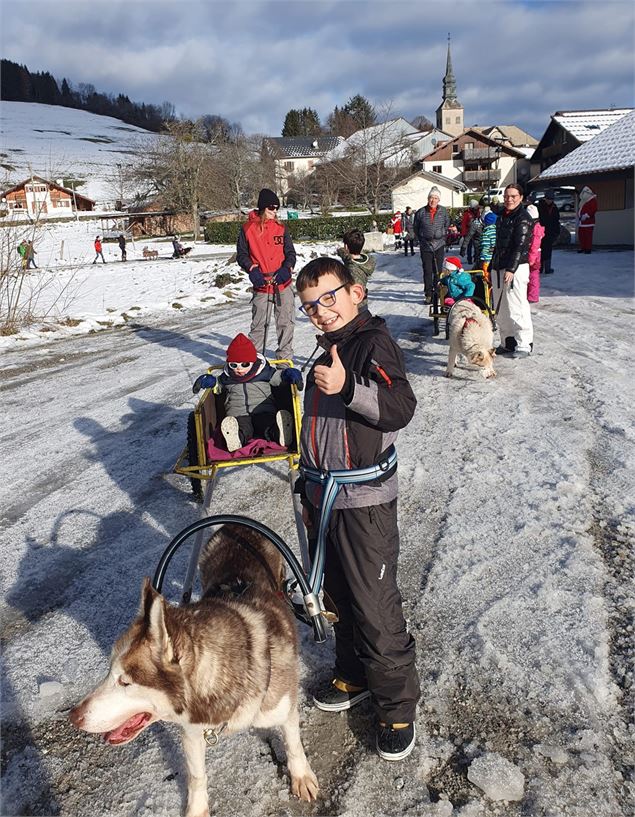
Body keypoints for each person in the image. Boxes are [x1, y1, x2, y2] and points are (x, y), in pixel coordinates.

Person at [295, 256, 420, 762]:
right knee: (338, 594)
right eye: (309, 306)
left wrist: (348, 387)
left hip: (364, 501)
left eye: (329, 297)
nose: (321, 311)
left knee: (374, 603)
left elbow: (400, 407)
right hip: (324, 494)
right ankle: (353, 676)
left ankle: (396, 706)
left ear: (356, 293)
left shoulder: (372, 344)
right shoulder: (328, 347)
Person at [191, 333, 302, 453]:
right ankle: (236, 438)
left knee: (267, 424)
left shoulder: (265, 373)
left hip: (263, 410)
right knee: (244, 428)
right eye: (233, 365)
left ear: (253, 362)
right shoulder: (227, 377)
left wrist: (288, 374)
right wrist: (210, 381)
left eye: (244, 364)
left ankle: (280, 433)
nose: (239, 369)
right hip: (238, 414)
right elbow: (217, 387)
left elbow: (279, 379)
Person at [236, 188, 297, 360]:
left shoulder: (281, 228)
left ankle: (284, 360)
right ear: (263, 208)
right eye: (271, 208)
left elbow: (290, 253)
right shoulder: (247, 229)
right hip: (262, 283)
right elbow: (241, 254)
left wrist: (287, 267)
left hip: (282, 283)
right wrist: (252, 269)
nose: (275, 212)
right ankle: (254, 360)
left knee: (286, 323)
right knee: (259, 325)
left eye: (277, 208)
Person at [490, 184, 534, 358]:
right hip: (499, 266)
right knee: (501, 308)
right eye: (507, 196)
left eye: (513, 196)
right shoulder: (501, 216)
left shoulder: (523, 218)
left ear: (521, 197)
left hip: (515, 268)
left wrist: (511, 268)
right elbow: (498, 244)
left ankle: (524, 344)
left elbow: (520, 246)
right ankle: (508, 341)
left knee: (517, 306)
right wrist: (492, 265)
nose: (509, 199)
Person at [413, 186, 450, 305]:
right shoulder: (421, 212)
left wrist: (442, 234)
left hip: (439, 245)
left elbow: (447, 224)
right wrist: (421, 238)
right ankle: (428, 294)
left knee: (438, 270)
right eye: (431, 198)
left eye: (435, 198)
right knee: (427, 270)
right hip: (426, 246)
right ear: (428, 198)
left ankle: (438, 292)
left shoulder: (443, 211)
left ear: (438, 200)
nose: (433, 200)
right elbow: (416, 227)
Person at [336, 229, 375, 305]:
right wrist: (339, 250)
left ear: (346, 247)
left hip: (356, 307)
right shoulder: (365, 261)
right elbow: (346, 256)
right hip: (362, 304)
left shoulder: (352, 270)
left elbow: (353, 294)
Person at [537, 190, 560, 274]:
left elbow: (556, 221)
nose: (549, 200)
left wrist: (556, 232)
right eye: (548, 198)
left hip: (550, 232)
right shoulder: (540, 207)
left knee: (548, 250)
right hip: (540, 232)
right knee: (540, 250)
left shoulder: (554, 208)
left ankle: (547, 268)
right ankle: (540, 268)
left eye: (551, 199)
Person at [526, 205, 544, 304]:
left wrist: (531, 258)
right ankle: (530, 294)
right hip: (533, 253)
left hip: (534, 255)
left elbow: (534, 245)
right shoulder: (536, 227)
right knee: (531, 275)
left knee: (533, 275)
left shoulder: (535, 229)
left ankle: (533, 296)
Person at [577, 186, 597, 254]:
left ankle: (588, 249)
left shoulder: (592, 200)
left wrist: (586, 216)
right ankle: (583, 248)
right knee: (581, 236)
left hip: (589, 222)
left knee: (588, 236)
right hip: (582, 222)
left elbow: (593, 210)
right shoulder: (583, 201)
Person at [460, 199, 480, 264]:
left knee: (476, 246)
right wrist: (463, 233)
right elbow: (463, 224)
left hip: (476, 232)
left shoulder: (478, 212)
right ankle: (469, 259)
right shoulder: (467, 213)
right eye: (476, 206)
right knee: (469, 246)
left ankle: (476, 258)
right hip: (468, 232)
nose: (477, 207)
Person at [478, 211, 498, 275]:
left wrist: (482, 258)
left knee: (487, 275)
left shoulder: (486, 233)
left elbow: (485, 246)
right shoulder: (498, 231)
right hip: (496, 257)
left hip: (488, 259)